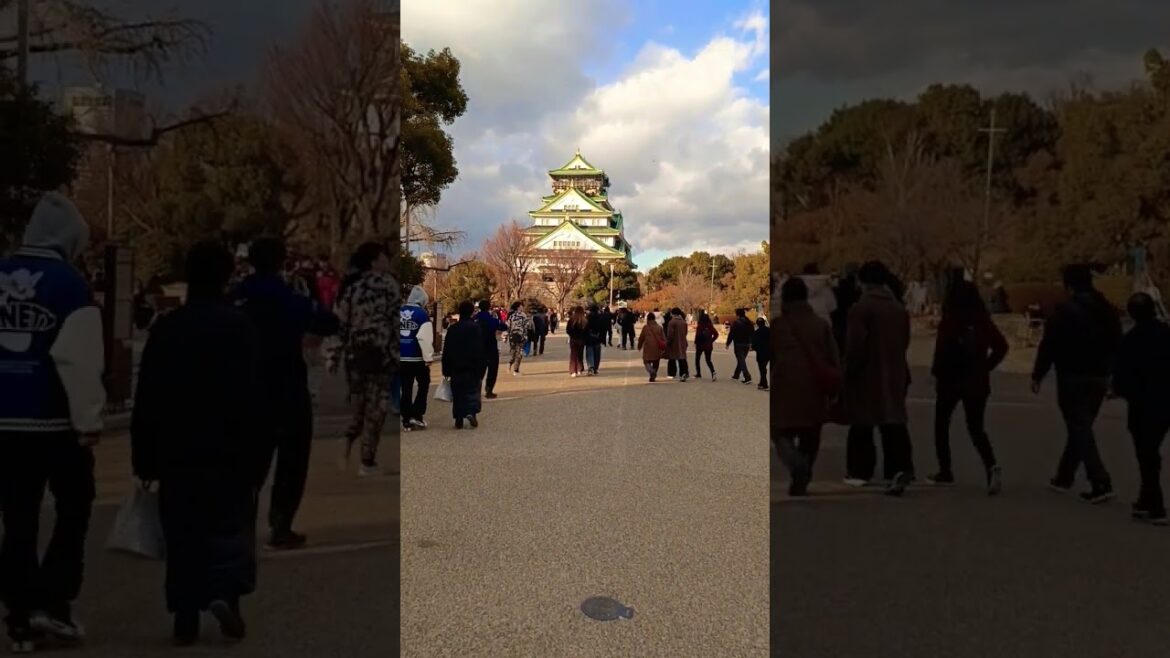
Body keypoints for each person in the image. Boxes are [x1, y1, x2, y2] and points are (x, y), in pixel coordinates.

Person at [132, 241, 264, 646]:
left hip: (177, 447)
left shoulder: (168, 328)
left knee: (183, 532)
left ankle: (185, 615)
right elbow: (255, 394)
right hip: (230, 446)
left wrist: (144, 456)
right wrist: (259, 452)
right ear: (227, 277)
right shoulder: (239, 326)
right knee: (230, 525)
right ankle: (226, 594)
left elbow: (147, 395)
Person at [0, 193, 105, 652]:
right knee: (74, 506)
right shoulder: (69, 285)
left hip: (3, 424)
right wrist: (88, 420)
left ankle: (19, 613)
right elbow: (77, 359)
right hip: (54, 423)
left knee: (17, 517)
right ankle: (54, 601)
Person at [233, 236, 332, 550]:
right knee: (292, 460)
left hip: (246, 387)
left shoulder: (237, 296)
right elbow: (327, 321)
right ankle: (281, 524)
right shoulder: (289, 296)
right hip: (286, 385)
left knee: (249, 463)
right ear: (281, 262)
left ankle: (241, 524)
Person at [1032, 264, 1123, 503]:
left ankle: (1099, 480)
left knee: (1078, 427)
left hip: (1071, 375)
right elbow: (1118, 345)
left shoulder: (1063, 313)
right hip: (1099, 376)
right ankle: (1064, 476)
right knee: (1082, 427)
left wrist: (1038, 374)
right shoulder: (1107, 310)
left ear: (1068, 285)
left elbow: (1049, 345)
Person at [927, 280, 1008, 494]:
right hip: (977, 382)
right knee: (976, 428)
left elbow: (941, 351)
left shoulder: (950, 320)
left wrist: (935, 373)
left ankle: (945, 470)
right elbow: (1001, 347)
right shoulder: (982, 320)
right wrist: (985, 366)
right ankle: (991, 465)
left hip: (950, 381)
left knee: (941, 425)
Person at [843, 261, 915, 496]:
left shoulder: (861, 309)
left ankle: (860, 471)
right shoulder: (897, 309)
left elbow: (855, 347)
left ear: (862, 282)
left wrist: (849, 371)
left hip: (868, 373)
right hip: (895, 370)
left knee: (862, 424)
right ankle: (899, 468)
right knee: (893, 421)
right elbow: (905, 342)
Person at [331, 242, 400, 472]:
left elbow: (341, 323)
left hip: (356, 354)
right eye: (383, 257)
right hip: (381, 354)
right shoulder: (388, 285)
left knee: (359, 406)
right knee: (377, 407)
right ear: (374, 261)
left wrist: (335, 356)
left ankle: (348, 439)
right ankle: (367, 460)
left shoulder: (352, 287)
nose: (387, 261)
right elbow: (395, 321)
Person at [773, 277, 840, 496]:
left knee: (780, 432)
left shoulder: (779, 326)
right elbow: (833, 358)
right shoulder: (820, 325)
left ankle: (796, 464)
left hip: (784, 388)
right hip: (815, 387)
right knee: (811, 433)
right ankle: (803, 474)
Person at [1111, 292, 1170, 523]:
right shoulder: (1166, 335)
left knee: (1146, 454)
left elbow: (1122, 375)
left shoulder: (1131, 340)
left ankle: (1155, 505)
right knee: (1150, 452)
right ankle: (1146, 499)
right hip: (1165, 400)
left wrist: (1120, 391)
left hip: (1142, 404)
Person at [442, 301, 486, 430]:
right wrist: (481, 368)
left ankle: (458, 418)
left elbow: (447, 350)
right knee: (472, 391)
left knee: (458, 393)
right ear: (472, 312)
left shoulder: (453, 329)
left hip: (456, 366)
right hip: (472, 366)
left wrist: (446, 369)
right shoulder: (475, 328)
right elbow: (480, 349)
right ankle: (471, 412)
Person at [400, 285, 435, 431]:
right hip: (417, 358)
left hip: (401, 358)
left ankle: (406, 418)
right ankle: (417, 414)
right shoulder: (422, 314)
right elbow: (424, 338)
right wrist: (428, 357)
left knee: (405, 388)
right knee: (423, 384)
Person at [473, 300, 504, 398]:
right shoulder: (492, 319)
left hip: (478, 347)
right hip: (491, 346)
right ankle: (489, 389)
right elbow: (503, 326)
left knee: (478, 371)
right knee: (492, 370)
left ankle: (476, 391)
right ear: (489, 307)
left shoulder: (475, 319)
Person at [505, 301, 533, 375]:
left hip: (512, 336)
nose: (522, 307)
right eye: (521, 306)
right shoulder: (523, 315)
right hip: (521, 336)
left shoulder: (511, 316)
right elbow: (527, 326)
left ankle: (510, 364)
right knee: (519, 353)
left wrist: (506, 336)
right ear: (518, 307)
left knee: (514, 353)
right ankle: (516, 370)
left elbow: (507, 326)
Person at [727, 308, 754, 384]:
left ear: (737, 314)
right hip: (747, 343)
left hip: (738, 343)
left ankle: (747, 377)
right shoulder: (749, 322)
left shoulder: (736, 323)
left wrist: (728, 343)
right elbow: (752, 333)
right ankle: (736, 375)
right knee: (741, 360)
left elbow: (731, 334)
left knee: (741, 360)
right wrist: (752, 343)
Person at [665, 307, 690, 382]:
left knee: (672, 358)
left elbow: (670, 334)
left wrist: (668, 342)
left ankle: (671, 373)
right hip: (682, 342)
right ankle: (684, 373)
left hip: (674, 343)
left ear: (672, 313)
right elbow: (686, 332)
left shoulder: (672, 322)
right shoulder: (683, 322)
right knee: (682, 358)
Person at [694, 312, 719, 381]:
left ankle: (698, 373)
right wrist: (711, 340)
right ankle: (713, 372)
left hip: (700, 345)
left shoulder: (700, 325)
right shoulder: (710, 325)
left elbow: (697, 335)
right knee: (708, 360)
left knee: (697, 359)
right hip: (708, 345)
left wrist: (695, 343)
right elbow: (716, 334)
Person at [585, 304, 606, 374]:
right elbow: (603, 329)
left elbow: (585, 328)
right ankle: (596, 368)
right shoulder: (601, 318)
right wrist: (603, 339)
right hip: (598, 337)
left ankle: (590, 367)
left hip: (589, 337)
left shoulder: (587, 318)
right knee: (597, 354)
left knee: (590, 353)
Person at [567, 306, 588, 377]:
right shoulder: (585, 320)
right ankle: (580, 369)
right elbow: (586, 331)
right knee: (580, 354)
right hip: (581, 340)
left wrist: (572, 335)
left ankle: (573, 370)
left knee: (573, 355)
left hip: (573, 339)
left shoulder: (571, 320)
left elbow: (568, 330)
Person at [753, 316, 771, 391]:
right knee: (763, 368)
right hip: (769, 352)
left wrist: (754, 348)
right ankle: (761, 383)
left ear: (757, 324)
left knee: (762, 368)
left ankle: (765, 384)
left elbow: (754, 344)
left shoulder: (756, 333)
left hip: (761, 352)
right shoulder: (770, 331)